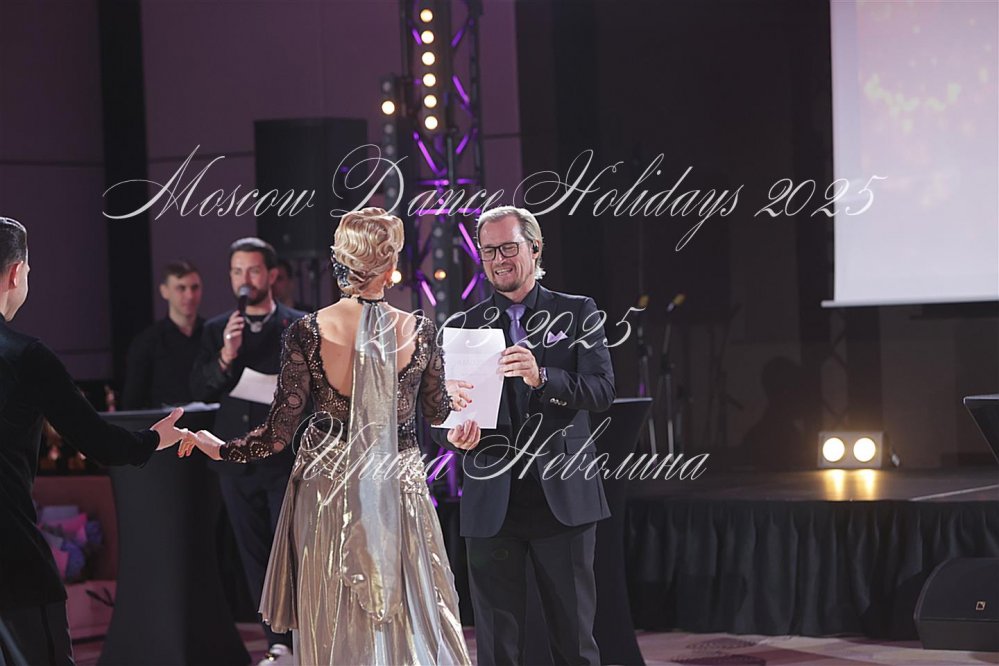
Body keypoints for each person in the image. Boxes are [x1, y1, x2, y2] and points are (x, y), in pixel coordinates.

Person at [185, 208, 479, 665]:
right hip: (396, 486)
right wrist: (459, 408)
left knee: (333, 614)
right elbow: (437, 414)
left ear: (340, 260)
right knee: (411, 610)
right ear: (390, 262)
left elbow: (278, 432)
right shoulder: (418, 330)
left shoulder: (307, 330)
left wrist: (221, 448)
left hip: (327, 489)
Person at [0, 217, 190, 665]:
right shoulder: (26, 356)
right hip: (11, 557)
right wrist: (153, 439)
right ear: (16, 273)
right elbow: (99, 442)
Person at [436, 206, 615, 665]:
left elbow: (602, 391)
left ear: (534, 248)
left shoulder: (577, 312)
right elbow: (438, 415)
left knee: (575, 644)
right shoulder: (462, 326)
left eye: (508, 248)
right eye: (488, 251)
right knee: (497, 649)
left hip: (563, 499)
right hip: (493, 503)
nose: (498, 259)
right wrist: (453, 436)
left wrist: (543, 377)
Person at [189, 238, 305, 663]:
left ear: (271, 275)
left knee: (289, 551)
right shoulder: (217, 328)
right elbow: (200, 388)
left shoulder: (297, 324)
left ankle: (302, 638)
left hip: (283, 459)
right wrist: (226, 355)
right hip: (236, 462)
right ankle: (277, 643)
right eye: (237, 271)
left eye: (253, 271)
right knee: (253, 554)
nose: (245, 279)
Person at [121, 260, 204, 409]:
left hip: (211, 420)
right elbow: (132, 402)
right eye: (181, 288)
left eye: (194, 287)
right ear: (164, 291)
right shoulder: (147, 342)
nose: (190, 295)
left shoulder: (212, 334)